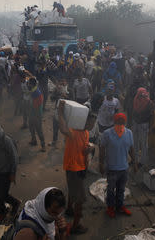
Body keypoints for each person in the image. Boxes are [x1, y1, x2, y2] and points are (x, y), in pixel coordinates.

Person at [58, 100, 96, 235]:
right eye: (91, 122)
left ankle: (69, 208)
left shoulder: (85, 132)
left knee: (73, 191)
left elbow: (84, 148)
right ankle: (76, 225)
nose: (92, 125)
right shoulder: (73, 131)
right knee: (80, 200)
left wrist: (90, 148)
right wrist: (60, 111)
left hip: (80, 167)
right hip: (74, 168)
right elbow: (62, 128)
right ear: (84, 121)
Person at [99, 113, 137, 218]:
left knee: (121, 189)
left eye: (122, 122)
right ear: (114, 122)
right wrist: (101, 164)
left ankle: (120, 206)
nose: (120, 124)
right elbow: (102, 149)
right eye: (118, 121)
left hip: (124, 168)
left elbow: (131, 149)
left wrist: (134, 163)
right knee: (110, 190)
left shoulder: (129, 133)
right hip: (111, 168)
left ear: (125, 122)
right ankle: (110, 208)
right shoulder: (107, 134)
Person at [132, 88, 154, 166]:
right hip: (138, 124)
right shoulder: (137, 101)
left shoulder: (148, 102)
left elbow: (152, 116)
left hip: (141, 124)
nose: (140, 96)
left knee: (141, 143)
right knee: (138, 142)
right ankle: (137, 160)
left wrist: (150, 128)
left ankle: (141, 161)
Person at [28, 78, 46, 151]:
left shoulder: (36, 92)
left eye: (29, 83)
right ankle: (34, 140)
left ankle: (43, 146)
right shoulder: (34, 90)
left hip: (36, 115)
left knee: (39, 130)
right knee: (31, 127)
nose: (28, 84)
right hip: (33, 113)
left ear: (32, 84)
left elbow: (36, 105)